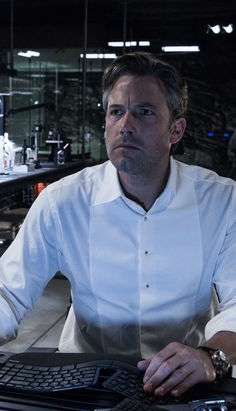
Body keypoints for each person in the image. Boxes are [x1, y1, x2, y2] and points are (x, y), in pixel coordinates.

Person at [0, 51, 236, 398]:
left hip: (186, 383)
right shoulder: (62, 202)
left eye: (144, 111)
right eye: (116, 111)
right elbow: (7, 291)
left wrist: (211, 356)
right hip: (83, 383)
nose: (125, 124)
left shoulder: (222, 202)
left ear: (176, 130)